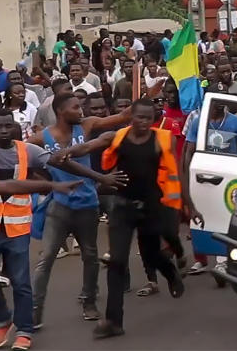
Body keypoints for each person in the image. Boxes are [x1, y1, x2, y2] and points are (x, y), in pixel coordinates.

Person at [0, 107, 124, 351]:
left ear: (15, 127)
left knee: (21, 282)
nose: (3, 130)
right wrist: (50, 184)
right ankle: (3, 319)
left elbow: (63, 162)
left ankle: (24, 329)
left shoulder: (27, 150)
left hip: (17, 228)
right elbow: (8, 185)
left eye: (7, 126)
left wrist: (98, 177)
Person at [57, 99, 190, 339]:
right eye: (138, 117)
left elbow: (176, 172)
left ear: (153, 119)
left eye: (148, 118)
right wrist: (68, 151)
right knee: (117, 262)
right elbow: (89, 146)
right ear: (131, 117)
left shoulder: (163, 140)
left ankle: (170, 274)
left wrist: (185, 202)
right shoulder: (116, 137)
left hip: (151, 207)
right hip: (122, 208)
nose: (143, 122)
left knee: (152, 255)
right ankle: (113, 322)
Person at [26, 93, 130, 328]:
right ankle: (35, 311)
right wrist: (48, 180)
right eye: (76, 107)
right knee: (46, 259)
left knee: (90, 256)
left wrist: (145, 98)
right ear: (61, 111)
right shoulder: (40, 138)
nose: (81, 110)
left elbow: (122, 117)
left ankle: (88, 301)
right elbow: (25, 161)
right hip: (59, 206)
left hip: (87, 205)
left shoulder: (87, 125)